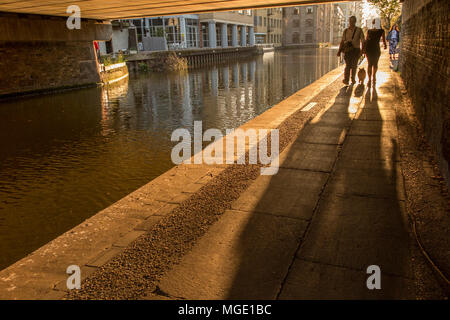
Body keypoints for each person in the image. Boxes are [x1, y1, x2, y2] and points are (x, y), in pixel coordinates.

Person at [337, 16, 365, 85]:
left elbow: (363, 41)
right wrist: (339, 51)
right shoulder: (345, 31)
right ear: (349, 21)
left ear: (355, 22)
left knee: (354, 66)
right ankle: (346, 79)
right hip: (347, 51)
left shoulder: (359, 30)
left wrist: (362, 51)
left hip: (356, 50)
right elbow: (342, 41)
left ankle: (353, 79)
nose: (351, 23)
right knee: (348, 66)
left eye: (352, 21)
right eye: (350, 21)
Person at [363, 19, 387, 87]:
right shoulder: (380, 31)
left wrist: (364, 49)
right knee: (373, 64)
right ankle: (372, 77)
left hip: (371, 48)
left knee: (371, 64)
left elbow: (366, 39)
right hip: (374, 48)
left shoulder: (372, 31)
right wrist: (385, 45)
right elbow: (383, 40)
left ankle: (371, 78)